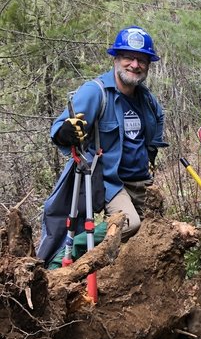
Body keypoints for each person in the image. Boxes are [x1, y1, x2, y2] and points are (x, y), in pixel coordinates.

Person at [49, 26, 167, 239]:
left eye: (142, 60)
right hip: (111, 182)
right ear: (115, 59)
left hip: (141, 180)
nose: (135, 65)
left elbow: (158, 117)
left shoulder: (146, 98)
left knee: (156, 232)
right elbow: (59, 128)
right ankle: (82, 244)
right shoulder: (96, 92)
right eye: (128, 58)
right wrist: (67, 132)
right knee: (130, 225)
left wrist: (151, 151)